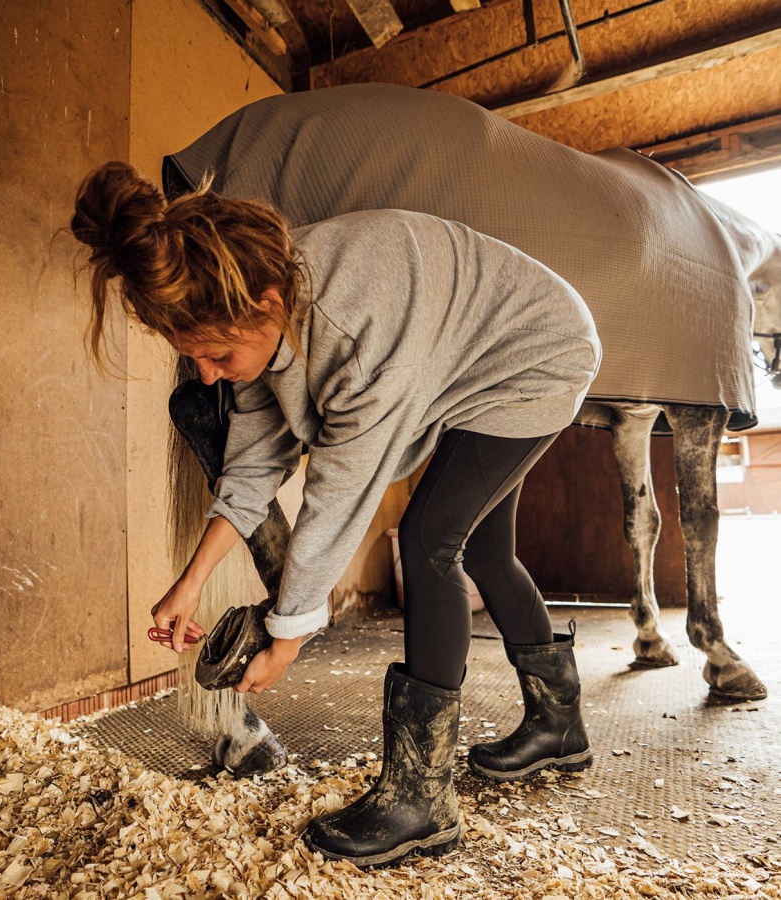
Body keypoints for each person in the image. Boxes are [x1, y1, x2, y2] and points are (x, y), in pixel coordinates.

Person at [71, 160, 602, 869]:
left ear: (263, 305)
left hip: (535, 355)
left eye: (217, 356)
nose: (206, 375)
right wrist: (192, 581)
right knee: (480, 550)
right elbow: (254, 463)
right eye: (192, 359)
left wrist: (286, 637)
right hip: (476, 358)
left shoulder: (352, 329)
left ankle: (422, 801)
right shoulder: (270, 318)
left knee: (430, 539)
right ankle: (559, 726)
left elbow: (339, 496)